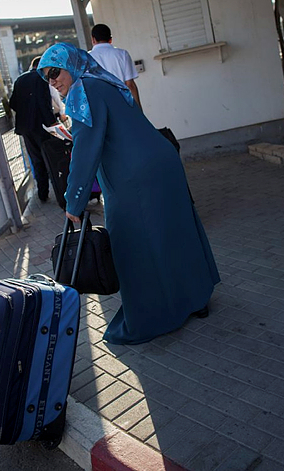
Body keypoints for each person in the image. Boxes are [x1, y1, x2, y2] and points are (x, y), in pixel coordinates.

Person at [38, 42, 219, 345]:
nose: (52, 80)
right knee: (175, 233)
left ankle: (151, 317)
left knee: (132, 246)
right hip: (161, 165)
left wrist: (74, 200)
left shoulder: (83, 92)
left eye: (55, 71)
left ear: (71, 64)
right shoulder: (101, 80)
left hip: (135, 178)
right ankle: (196, 299)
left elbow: (85, 151)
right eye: (46, 77)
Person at [9, 56, 60, 202]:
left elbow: (13, 103)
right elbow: (45, 104)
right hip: (42, 126)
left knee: (36, 160)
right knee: (50, 159)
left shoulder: (19, 80)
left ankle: (42, 193)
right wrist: (52, 123)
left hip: (26, 129)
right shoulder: (41, 79)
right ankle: (58, 190)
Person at [88, 24, 142, 109]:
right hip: (123, 103)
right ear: (110, 39)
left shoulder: (87, 58)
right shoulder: (122, 54)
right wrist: (139, 110)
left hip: (102, 108)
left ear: (93, 39)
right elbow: (130, 85)